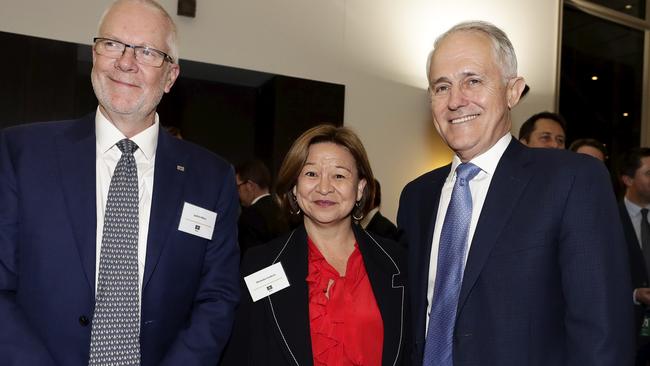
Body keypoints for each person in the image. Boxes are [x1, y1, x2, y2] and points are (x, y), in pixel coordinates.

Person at [0, 1, 240, 365]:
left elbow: (217, 299)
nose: (126, 62)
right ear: (95, 54)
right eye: (112, 44)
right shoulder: (22, 154)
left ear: (171, 76)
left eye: (146, 51)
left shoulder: (212, 179)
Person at [397, 20, 633, 366]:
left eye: (473, 81)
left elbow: (602, 334)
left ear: (513, 91)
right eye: (441, 87)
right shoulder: (416, 197)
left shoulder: (571, 181)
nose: (455, 101)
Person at [222, 125, 407, 365]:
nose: (324, 187)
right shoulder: (261, 263)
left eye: (339, 175)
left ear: (360, 188)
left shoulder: (396, 261)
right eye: (311, 174)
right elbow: (241, 352)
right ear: (295, 187)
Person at [618, 148, 650, 366]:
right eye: (649, 173)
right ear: (628, 179)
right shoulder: (609, 218)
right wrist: (634, 293)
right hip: (626, 331)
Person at [235, 159, 289, 254]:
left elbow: (250, 259)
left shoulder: (250, 215)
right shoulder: (283, 209)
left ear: (249, 186)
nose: (236, 193)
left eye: (238, 187)